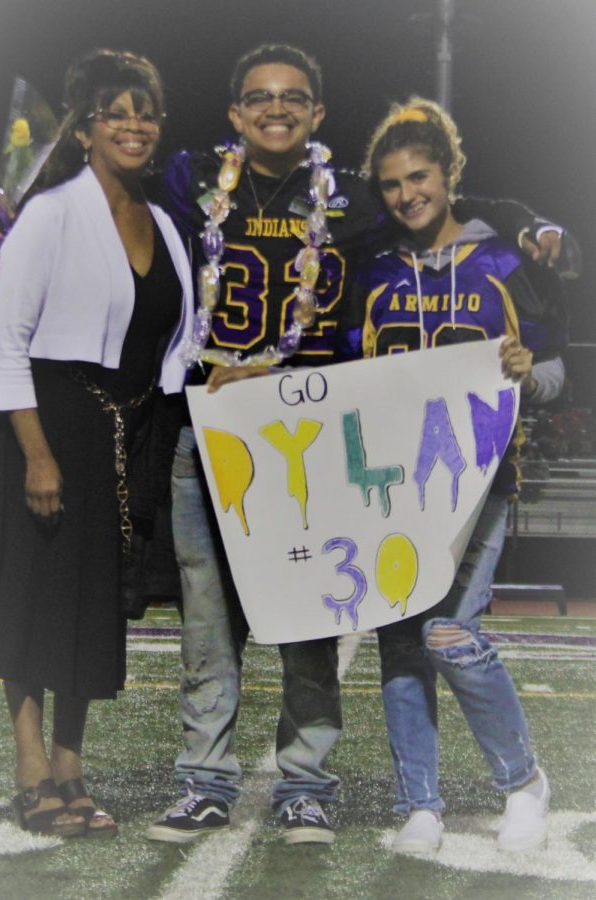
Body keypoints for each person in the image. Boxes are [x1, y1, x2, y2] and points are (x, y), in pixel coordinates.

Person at [146, 44, 566, 846]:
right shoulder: (192, 177)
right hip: (214, 425)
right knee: (210, 619)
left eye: (293, 97)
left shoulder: (353, 205)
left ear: (316, 113)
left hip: (319, 434)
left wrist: (527, 222)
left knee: (313, 609)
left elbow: (444, 197)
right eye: (259, 97)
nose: (276, 108)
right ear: (235, 111)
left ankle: (307, 786)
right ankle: (210, 782)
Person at [0, 49, 194, 838]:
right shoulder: (49, 211)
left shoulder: (163, 222)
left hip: (122, 437)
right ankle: (31, 769)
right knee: (34, 602)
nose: (132, 123)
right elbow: (9, 343)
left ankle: (72, 768)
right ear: (84, 127)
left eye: (144, 111)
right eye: (113, 111)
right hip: (47, 429)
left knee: (92, 611)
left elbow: (180, 349)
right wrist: (39, 453)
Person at [337, 97, 565, 854]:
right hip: (396, 488)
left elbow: (561, 367)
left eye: (420, 176)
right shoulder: (370, 269)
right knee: (400, 641)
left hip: (481, 483)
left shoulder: (504, 257)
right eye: (394, 183)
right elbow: (343, 376)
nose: (408, 193)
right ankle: (419, 807)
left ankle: (523, 781)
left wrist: (532, 374)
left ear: (449, 172)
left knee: (445, 631)